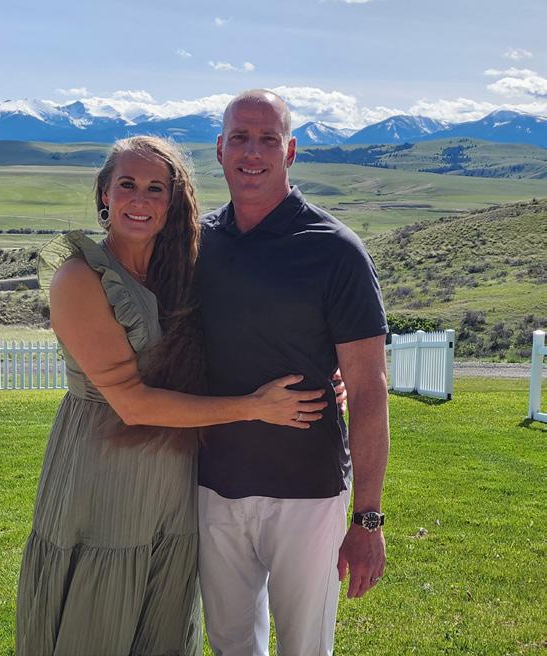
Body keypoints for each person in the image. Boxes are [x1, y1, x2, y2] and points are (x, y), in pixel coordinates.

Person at [15, 135, 336, 656]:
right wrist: (256, 407)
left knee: (161, 622)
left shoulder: (184, 272)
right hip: (103, 471)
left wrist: (322, 374)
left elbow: (239, 338)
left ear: (173, 201)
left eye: (155, 188)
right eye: (127, 185)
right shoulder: (81, 277)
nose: (139, 200)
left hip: (175, 477)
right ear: (104, 194)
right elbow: (132, 403)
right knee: (99, 618)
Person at [196, 90, 390, 656]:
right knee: (230, 643)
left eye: (268, 139)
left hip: (308, 491)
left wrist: (368, 519)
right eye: (240, 137)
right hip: (213, 484)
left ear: (291, 150)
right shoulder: (197, 242)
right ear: (220, 148)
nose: (252, 153)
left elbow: (368, 389)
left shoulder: (336, 250)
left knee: (306, 647)